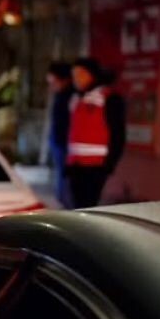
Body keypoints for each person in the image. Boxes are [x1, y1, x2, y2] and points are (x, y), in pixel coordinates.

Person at [66, 57, 126, 209]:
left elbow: (118, 134)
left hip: (96, 166)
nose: (76, 79)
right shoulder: (75, 99)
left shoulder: (109, 98)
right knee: (77, 207)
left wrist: (109, 164)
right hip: (75, 164)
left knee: (89, 206)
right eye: (74, 75)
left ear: (93, 74)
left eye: (81, 74)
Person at [45, 61, 75, 209]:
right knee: (60, 181)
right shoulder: (61, 95)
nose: (51, 85)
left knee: (65, 183)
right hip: (59, 142)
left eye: (53, 81)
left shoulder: (70, 96)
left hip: (66, 145)